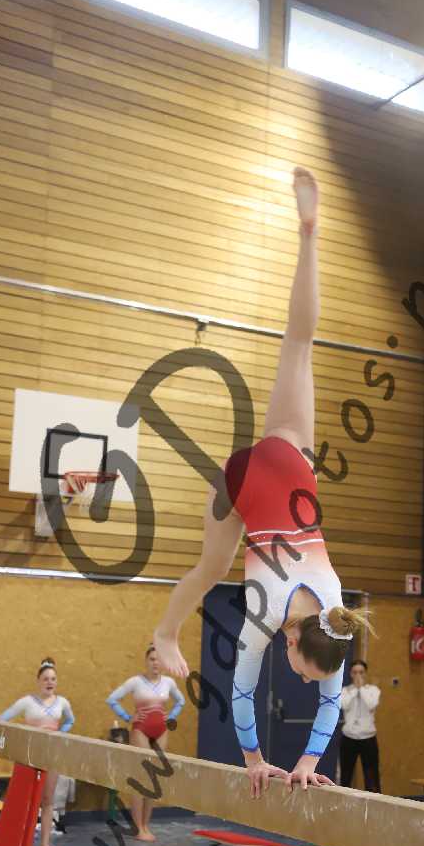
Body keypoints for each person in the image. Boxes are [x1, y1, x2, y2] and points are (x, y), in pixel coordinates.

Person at [152, 167, 371, 797]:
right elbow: (241, 690)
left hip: (289, 460)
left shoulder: (334, 609)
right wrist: (254, 759)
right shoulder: (264, 614)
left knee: (299, 345)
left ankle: (310, 234)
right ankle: (165, 632)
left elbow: (325, 692)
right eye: (302, 669)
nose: (300, 677)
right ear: (293, 640)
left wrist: (304, 762)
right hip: (238, 484)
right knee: (210, 570)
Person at [106, 646, 185, 841]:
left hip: (161, 731)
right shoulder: (136, 682)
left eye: (159, 659)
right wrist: (127, 717)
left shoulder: (168, 682)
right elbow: (112, 699)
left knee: (153, 779)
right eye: (152, 659)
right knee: (141, 778)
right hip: (140, 729)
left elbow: (181, 701)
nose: (155, 663)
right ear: (146, 661)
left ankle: (146, 825)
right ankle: (138, 827)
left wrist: (171, 717)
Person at [0, 657, 73, 846]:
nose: (50, 682)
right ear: (38, 681)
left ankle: (45, 844)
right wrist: (21, 734)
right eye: (46, 679)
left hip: (52, 753)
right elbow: (3, 719)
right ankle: (23, 845)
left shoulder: (62, 702)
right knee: (28, 801)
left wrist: (61, 732)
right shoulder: (27, 702)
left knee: (48, 800)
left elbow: (70, 720)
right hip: (30, 754)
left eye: (53, 679)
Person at [339, 660, 381, 792]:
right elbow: (344, 705)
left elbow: (371, 704)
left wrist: (361, 688)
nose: (358, 675)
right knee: (345, 776)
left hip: (368, 738)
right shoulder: (345, 691)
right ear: (351, 674)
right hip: (349, 738)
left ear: (365, 674)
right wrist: (355, 690)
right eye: (355, 672)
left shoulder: (373, 690)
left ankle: (374, 801)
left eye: (361, 672)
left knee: (371, 776)